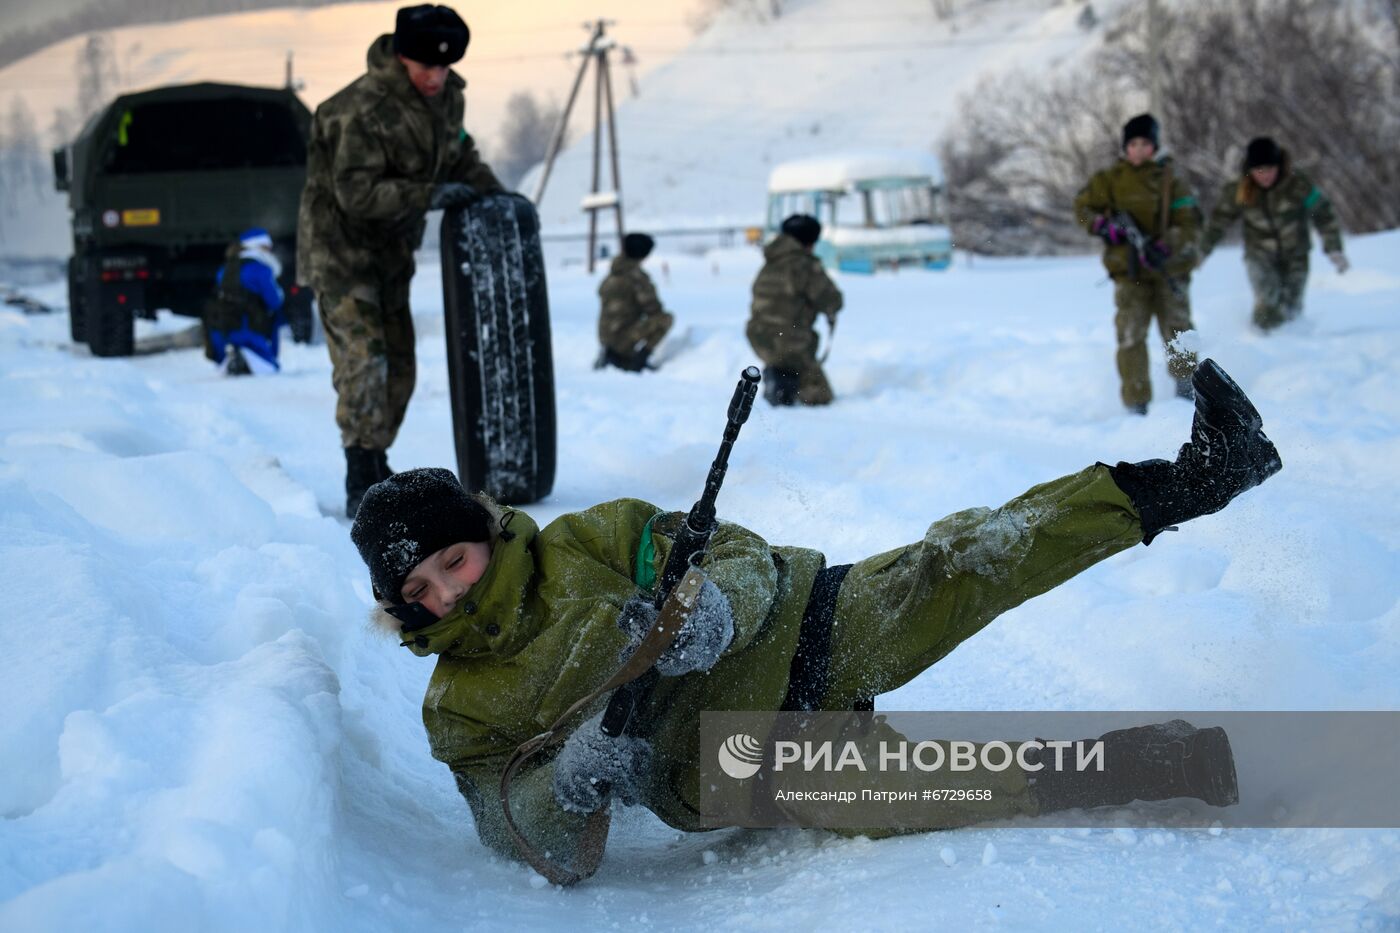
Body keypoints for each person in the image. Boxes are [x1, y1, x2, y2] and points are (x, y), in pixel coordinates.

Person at [349, 357, 1281, 881]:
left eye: (453, 560)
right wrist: (574, 782)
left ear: (484, 532)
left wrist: (718, 605)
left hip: (802, 624)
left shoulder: (590, 538)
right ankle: (1162, 762)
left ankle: (1194, 477)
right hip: (726, 760)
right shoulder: (460, 708)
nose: (448, 593)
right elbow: (509, 822)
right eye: (421, 591)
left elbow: (737, 553)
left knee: (963, 562)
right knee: (934, 788)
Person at [297, 3, 506, 518]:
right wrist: (429, 194)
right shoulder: (357, 110)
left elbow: (460, 154)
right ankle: (360, 474)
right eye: (425, 66)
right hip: (341, 254)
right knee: (364, 362)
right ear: (402, 56)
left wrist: (501, 200)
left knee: (401, 369)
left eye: (443, 66)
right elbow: (355, 193)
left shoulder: (446, 99)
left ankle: (375, 457)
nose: (435, 76)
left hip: (392, 255)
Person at [1074, 114, 1202, 415]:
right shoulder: (1110, 180)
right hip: (1129, 274)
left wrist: (1165, 244)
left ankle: (1187, 395)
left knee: (1179, 331)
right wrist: (1104, 227)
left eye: (1145, 143)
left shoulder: (1171, 180)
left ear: (1154, 146)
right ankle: (1136, 404)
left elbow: (1190, 223)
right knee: (1131, 336)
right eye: (1133, 144)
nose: (1139, 149)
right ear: (1125, 147)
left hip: (1169, 269)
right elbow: (1081, 209)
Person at [1196, 136, 1347, 331]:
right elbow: (1218, 222)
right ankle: (1264, 342)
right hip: (1259, 255)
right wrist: (1201, 251)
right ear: (1250, 170)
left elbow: (1323, 214)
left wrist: (1334, 248)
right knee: (1268, 306)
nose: (1265, 175)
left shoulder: (1297, 184)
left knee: (1292, 309)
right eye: (1259, 170)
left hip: (1296, 255)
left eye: (1270, 169)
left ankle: (1295, 346)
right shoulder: (1240, 189)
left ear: (1279, 166)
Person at [746, 214, 844, 406]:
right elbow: (831, 300)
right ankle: (783, 387)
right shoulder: (803, 265)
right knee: (820, 396)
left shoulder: (771, 262)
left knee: (787, 361)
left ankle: (781, 375)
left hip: (759, 336)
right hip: (790, 342)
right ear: (809, 241)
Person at [203, 228, 286, 375]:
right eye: (266, 247)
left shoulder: (225, 268)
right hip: (250, 327)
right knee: (270, 366)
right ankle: (248, 359)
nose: (269, 251)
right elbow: (274, 301)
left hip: (224, 328)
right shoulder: (261, 269)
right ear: (256, 246)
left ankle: (232, 359)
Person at [596, 232, 674, 372]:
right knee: (665, 319)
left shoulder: (612, 275)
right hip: (622, 338)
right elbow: (654, 309)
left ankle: (617, 356)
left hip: (605, 338)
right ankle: (638, 360)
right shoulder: (637, 278)